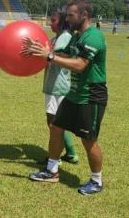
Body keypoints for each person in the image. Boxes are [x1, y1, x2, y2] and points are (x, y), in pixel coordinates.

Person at [22, 0, 108, 195]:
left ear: (84, 15)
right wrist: (38, 50)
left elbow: (79, 65)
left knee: (88, 139)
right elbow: (64, 55)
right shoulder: (77, 36)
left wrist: (50, 56)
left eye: (71, 15)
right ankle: (52, 171)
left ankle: (96, 181)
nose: (67, 19)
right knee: (56, 127)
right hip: (74, 93)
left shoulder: (93, 36)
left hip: (91, 96)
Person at [40, 11, 78, 164]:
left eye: (54, 20)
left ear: (62, 22)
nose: (51, 23)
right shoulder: (55, 38)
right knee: (58, 122)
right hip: (52, 85)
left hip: (58, 86)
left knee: (54, 123)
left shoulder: (65, 37)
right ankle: (70, 154)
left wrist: (42, 52)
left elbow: (58, 54)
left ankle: (55, 156)